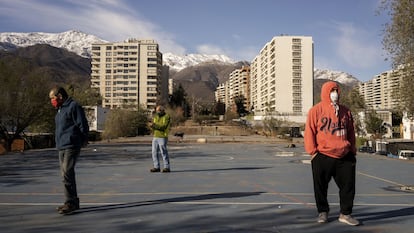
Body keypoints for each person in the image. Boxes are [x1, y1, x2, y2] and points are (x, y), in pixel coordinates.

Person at [304, 81, 359, 226]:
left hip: (344, 155)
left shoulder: (345, 111)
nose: (334, 93)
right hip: (323, 154)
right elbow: (309, 131)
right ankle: (323, 212)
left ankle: (345, 214)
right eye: (331, 90)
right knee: (320, 186)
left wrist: (352, 150)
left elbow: (351, 131)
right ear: (325, 92)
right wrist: (313, 152)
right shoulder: (315, 110)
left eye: (336, 90)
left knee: (348, 186)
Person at [49, 86, 89, 214]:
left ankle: (71, 203)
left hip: (72, 144)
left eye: (53, 98)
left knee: (67, 172)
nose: (52, 101)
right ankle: (71, 201)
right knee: (65, 175)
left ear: (60, 96)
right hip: (61, 146)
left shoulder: (73, 106)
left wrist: (83, 139)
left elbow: (82, 124)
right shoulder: (60, 109)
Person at [149, 105, 171, 173]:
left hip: (162, 137)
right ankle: (156, 167)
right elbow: (154, 126)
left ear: (162, 110)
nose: (157, 112)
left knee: (163, 152)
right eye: (156, 111)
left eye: (158, 111)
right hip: (155, 136)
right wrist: (151, 126)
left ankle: (166, 167)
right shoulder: (155, 117)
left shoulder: (167, 117)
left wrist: (154, 125)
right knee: (154, 152)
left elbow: (163, 127)